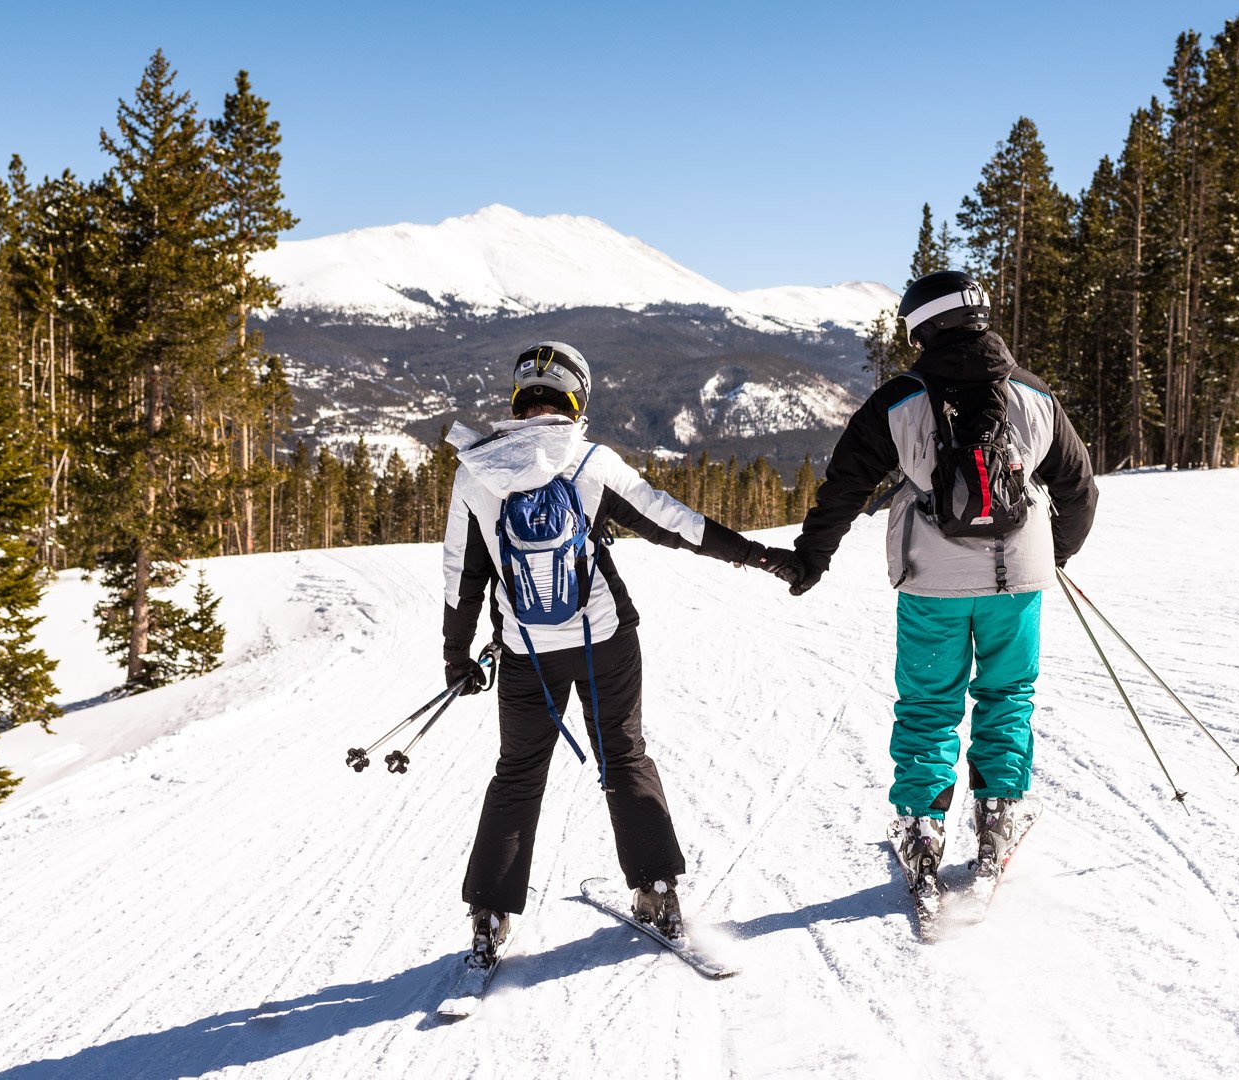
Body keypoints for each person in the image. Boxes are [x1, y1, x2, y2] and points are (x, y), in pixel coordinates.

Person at [442, 340, 798, 964]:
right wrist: (757, 555)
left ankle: (490, 915)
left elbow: (461, 572)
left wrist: (457, 654)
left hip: (525, 650)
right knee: (624, 755)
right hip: (603, 638)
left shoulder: (476, 470)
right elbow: (675, 523)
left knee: (518, 775)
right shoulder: (590, 463)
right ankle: (657, 891)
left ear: (518, 397)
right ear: (576, 398)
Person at [779, 270, 1097, 908]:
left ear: (923, 325)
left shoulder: (901, 400)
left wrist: (813, 558)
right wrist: (1053, 555)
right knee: (1007, 693)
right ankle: (999, 812)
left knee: (928, 702)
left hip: (931, 581)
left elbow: (845, 483)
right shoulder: (1034, 396)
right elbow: (1079, 489)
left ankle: (923, 825)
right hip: (1018, 583)